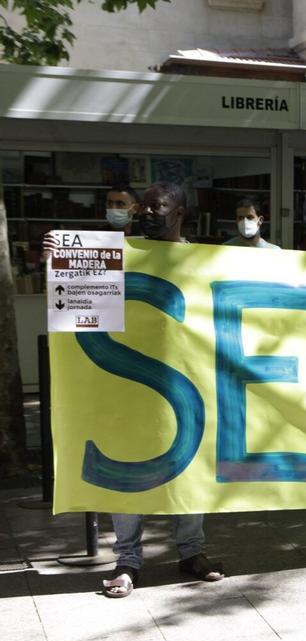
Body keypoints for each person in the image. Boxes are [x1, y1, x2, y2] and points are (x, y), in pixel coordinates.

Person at [103, 182, 225, 597]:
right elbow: (77, 303)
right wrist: (57, 260)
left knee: (191, 468)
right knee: (125, 467)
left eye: (159, 207)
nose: (147, 214)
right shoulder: (123, 255)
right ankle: (127, 560)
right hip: (127, 382)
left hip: (187, 384)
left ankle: (192, 552)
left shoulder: (203, 261)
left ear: (180, 213)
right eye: (146, 208)